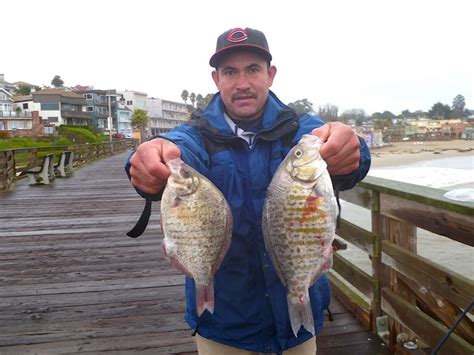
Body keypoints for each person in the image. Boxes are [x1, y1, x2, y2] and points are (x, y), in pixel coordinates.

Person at [126, 27, 371, 354]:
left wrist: (350, 151)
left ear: (270, 75)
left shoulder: (300, 129)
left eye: (253, 69)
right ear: (216, 79)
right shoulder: (197, 135)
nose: (242, 83)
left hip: (299, 322)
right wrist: (150, 156)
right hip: (224, 325)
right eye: (230, 72)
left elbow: (337, 146)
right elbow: (178, 147)